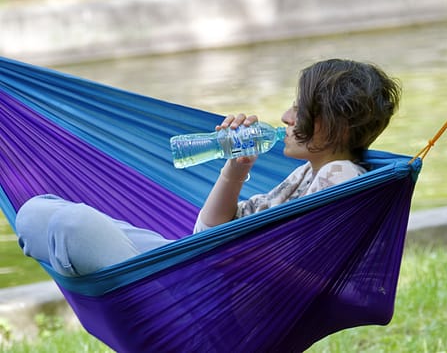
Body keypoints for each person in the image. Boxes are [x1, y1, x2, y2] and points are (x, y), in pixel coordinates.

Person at [15, 58, 401, 277]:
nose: (285, 117)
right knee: (37, 212)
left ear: (330, 124)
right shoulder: (309, 174)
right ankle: (98, 280)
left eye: (299, 109)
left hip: (208, 291)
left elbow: (296, 271)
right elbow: (207, 231)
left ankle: (100, 281)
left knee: (69, 227)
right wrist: (236, 169)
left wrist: (224, 256)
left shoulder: (340, 178)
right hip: (198, 271)